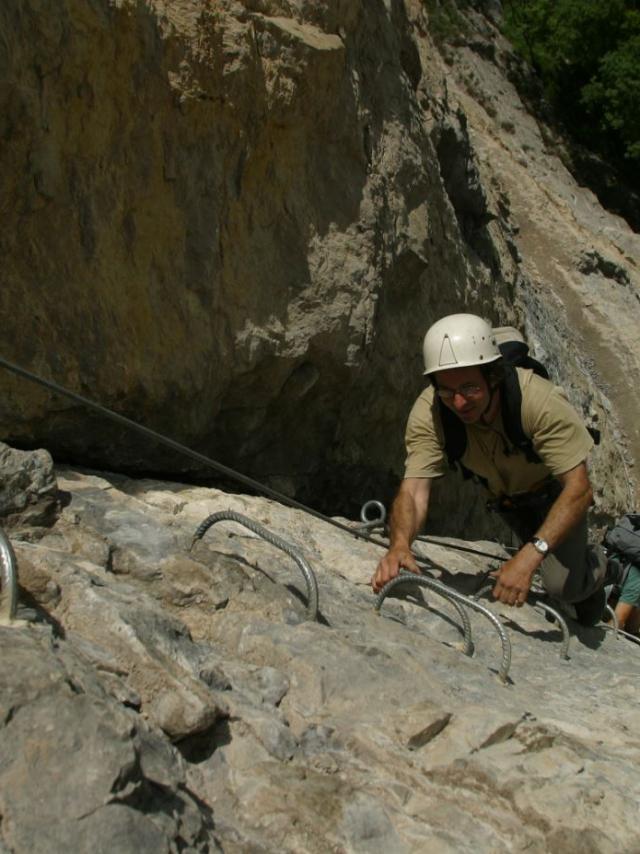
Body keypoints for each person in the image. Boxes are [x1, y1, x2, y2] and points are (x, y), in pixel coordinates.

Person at [371, 313, 607, 626]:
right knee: (575, 602)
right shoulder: (431, 412)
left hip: (557, 497)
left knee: (563, 588)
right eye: (446, 390)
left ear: (493, 376)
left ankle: (607, 566)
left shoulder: (538, 402)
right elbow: (413, 490)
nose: (458, 402)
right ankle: (576, 580)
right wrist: (400, 545)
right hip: (509, 504)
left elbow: (579, 488)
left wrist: (527, 559)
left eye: (470, 388)